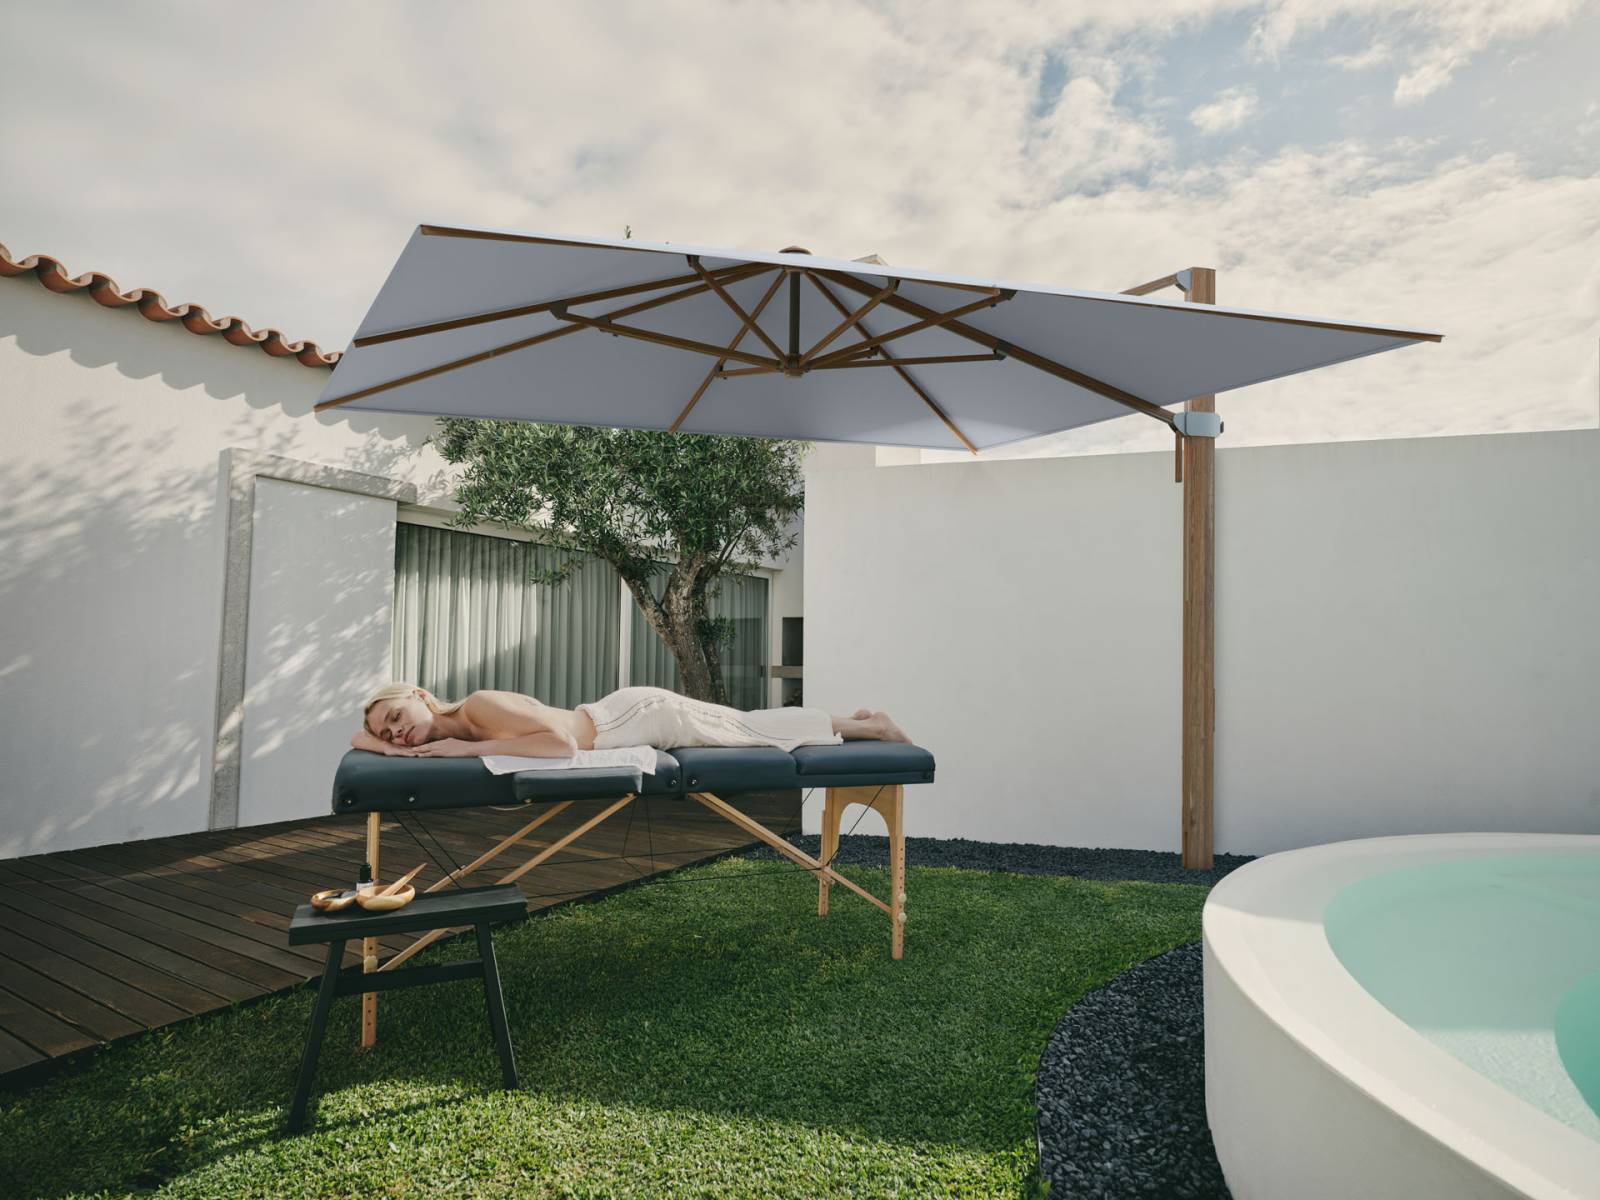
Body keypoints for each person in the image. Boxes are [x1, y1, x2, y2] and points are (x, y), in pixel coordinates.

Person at [352, 682, 911, 759]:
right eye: (388, 731)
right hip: (624, 722)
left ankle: (872, 727)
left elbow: (560, 747)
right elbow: (359, 735)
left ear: (423, 696)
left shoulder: (476, 709)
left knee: (752, 732)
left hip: (636, 719)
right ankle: (853, 719)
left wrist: (465, 751)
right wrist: (391, 749)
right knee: (749, 724)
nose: (395, 732)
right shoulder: (410, 734)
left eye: (397, 716)